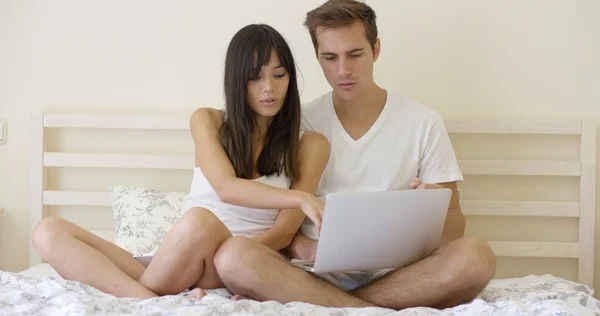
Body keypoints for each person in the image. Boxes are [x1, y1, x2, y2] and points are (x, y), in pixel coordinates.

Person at [211, 0, 497, 310]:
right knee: (234, 256)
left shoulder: (423, 122)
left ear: (375, 49)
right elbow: (275, 224)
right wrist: (305, 248)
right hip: (312, 273)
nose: (343, 70)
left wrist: (435, 208)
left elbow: (456, 225)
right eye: (330, 58)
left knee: (476, 256)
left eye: (355, 55)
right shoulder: (295, 123)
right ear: (318, 58)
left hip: (401, 274)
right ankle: (365, 308)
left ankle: (343, 307)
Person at [31, 23, 330, 299]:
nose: (269, 88)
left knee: (200, 222)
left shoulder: (309, 144)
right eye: (256, 77)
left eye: (279, 75)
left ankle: (142, 296)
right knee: (48, 230)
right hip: (174, 259)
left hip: (232, 263)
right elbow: (226, 187)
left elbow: (282, 234)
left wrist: (229, 264)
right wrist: (299, 198)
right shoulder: (207, 121)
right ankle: (150, 301)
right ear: (237, 81)